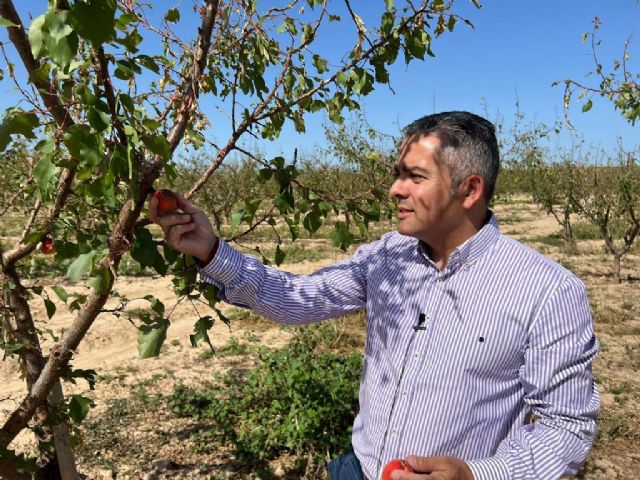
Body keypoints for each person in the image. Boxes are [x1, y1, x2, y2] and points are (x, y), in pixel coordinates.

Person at [149, 111, 600, 480]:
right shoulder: (387, 256)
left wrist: (478, 475)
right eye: (397, 175)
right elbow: (300, 296)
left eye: (414, 176)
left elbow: (567, 427)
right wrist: (211, 251)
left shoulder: (546, 291)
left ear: (470, 189)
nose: (394, 189)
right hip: (359, 468)